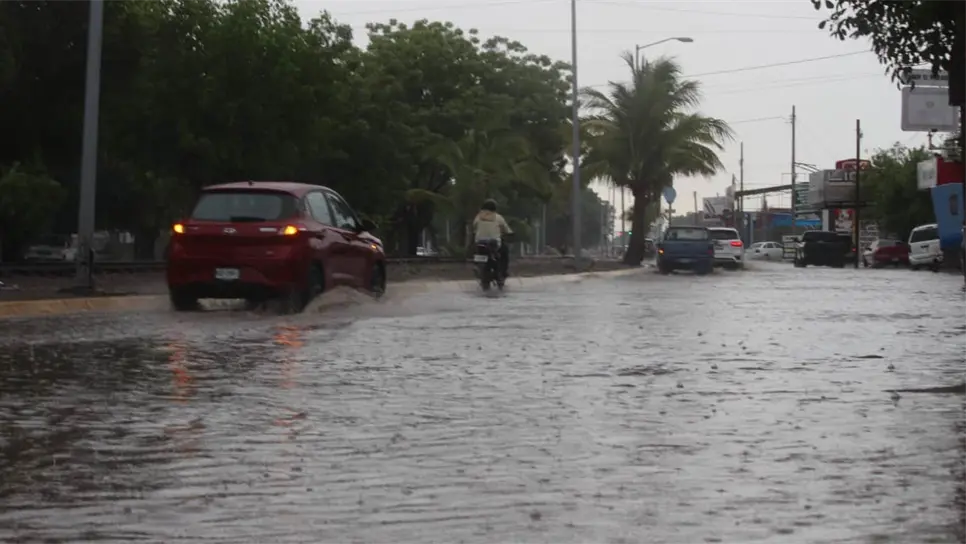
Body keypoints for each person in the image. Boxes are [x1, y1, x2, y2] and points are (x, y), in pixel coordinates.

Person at [473, 199, 513, 277]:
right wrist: (509, 233)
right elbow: (506, 229)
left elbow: (474, 227)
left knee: (477, 252)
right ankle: (503, 271)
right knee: (504, 251)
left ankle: (478, 266)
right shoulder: (498, 217)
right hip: (493, 243)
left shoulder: (478, 217)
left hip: (479, 242)